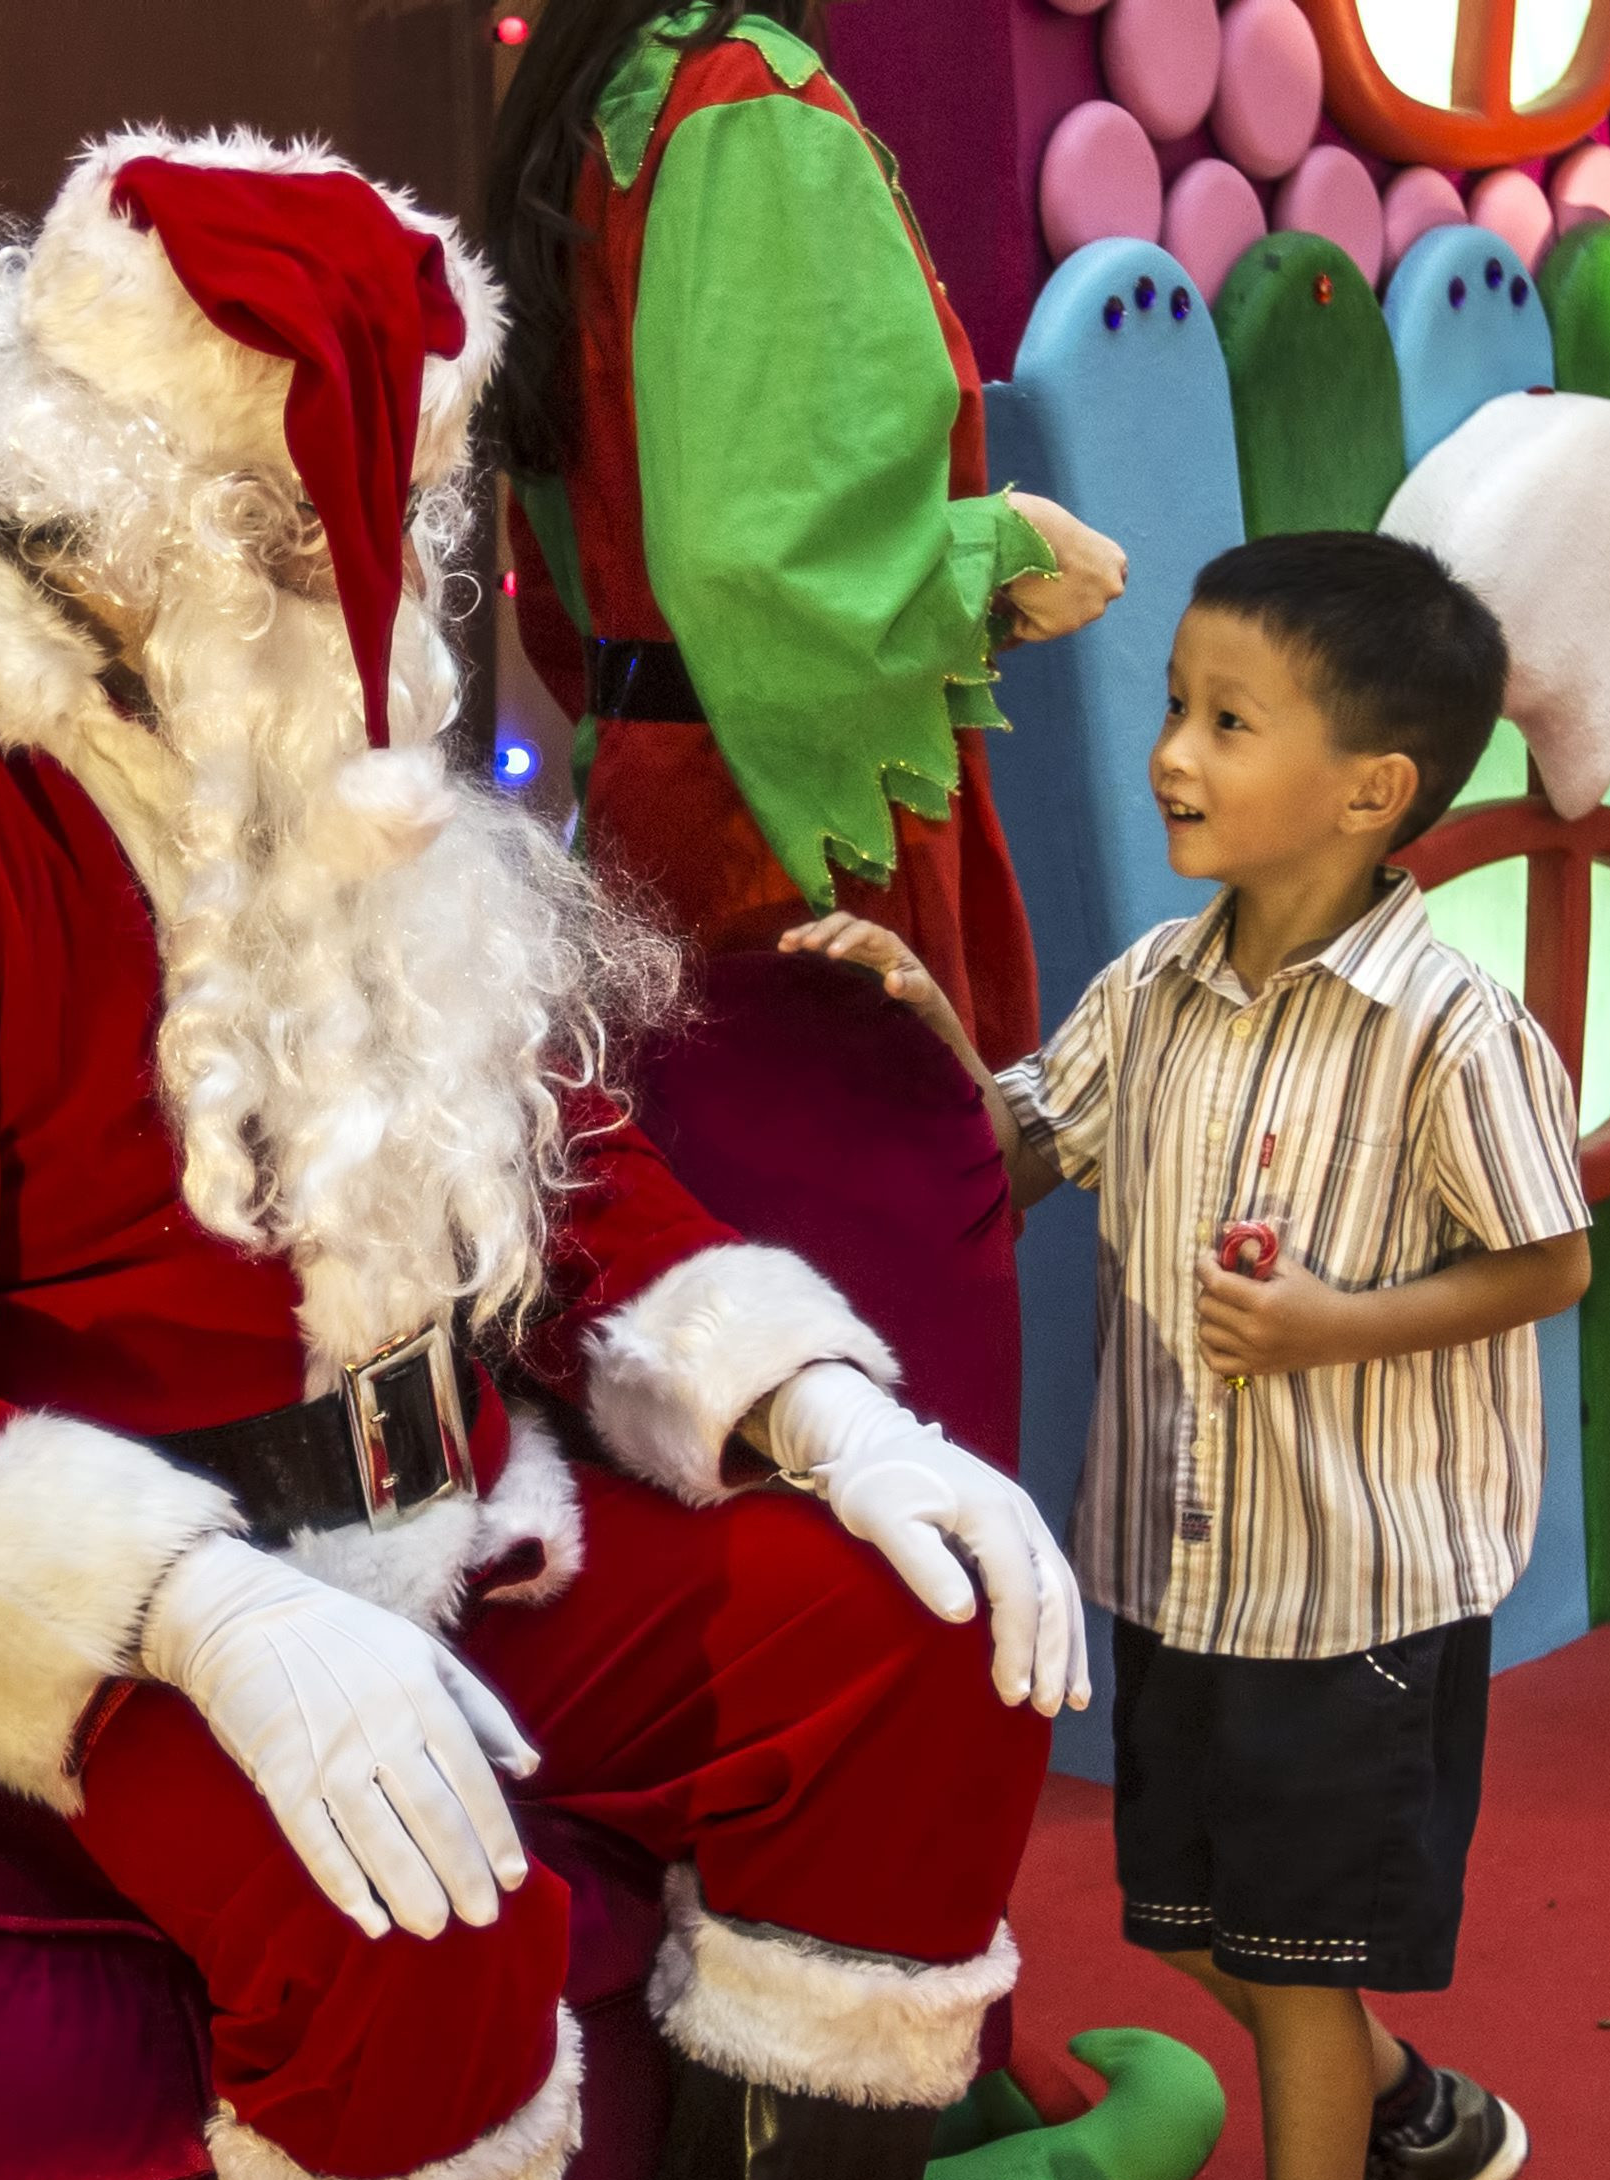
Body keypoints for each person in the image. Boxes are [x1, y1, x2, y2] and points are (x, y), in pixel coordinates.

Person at [0, 132, 1084, 2180]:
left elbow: (542, 1145)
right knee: (413, 1907)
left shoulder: (299, 697)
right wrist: (211, 1619)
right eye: (315, 526)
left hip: (441, 1515)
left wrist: (814, 1399)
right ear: (115, 473)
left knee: (908, 1634)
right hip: (63, 1610)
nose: (382, 585)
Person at [785, 532, 1591, 2180]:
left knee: (1300, 1955)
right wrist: (914, 1019)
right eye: (1175, 706)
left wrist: (1337, 1324)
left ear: (1373, 788)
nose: (1173, 750)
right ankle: (1412, 2122)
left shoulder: (1446, 1028)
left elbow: (1549, 1258)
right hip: (1184, 1555)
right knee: (1200, 1917)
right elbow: (1015, 1142)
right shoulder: (1151, 991)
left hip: (1358, 1579)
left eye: (1230, 720)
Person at [483, 0, 1131, 1458]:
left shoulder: (606, 99)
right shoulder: (744, 99)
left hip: (659, 820)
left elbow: (581, 582)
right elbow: (759, 559)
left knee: (716, 1388)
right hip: (791, 844)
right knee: (885, 1423)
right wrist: (1002, 553)